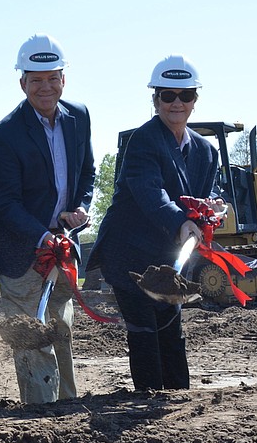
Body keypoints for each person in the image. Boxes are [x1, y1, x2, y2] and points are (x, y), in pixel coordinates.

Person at [87, 55, 220, 391]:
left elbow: (208, 194)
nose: (177, 103)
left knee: (170, 327)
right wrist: (180, 222)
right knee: (145, 329)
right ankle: (147, 402)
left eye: (185, 96)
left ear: (195, 100)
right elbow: (151, 192)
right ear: (155, 99)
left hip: (166, 257)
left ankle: (177, 399)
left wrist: (216, 208)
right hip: (129, 255)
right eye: (167, 95)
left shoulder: (206, 151)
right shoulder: (143, 141)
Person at [0, 34, 95, 404]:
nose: (45, 87)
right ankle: (39, 416)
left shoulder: (79, 117)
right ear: (22, 83)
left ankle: (67, 409)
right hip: (22, 254)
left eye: (52, 78)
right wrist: (43, 236)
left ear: (63, 79)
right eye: (36, 80)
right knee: (33, 338)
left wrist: (81, 207)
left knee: (61, 330)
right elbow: (5, 204)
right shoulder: (5, 134)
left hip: (63, 246)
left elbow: (87, 173)